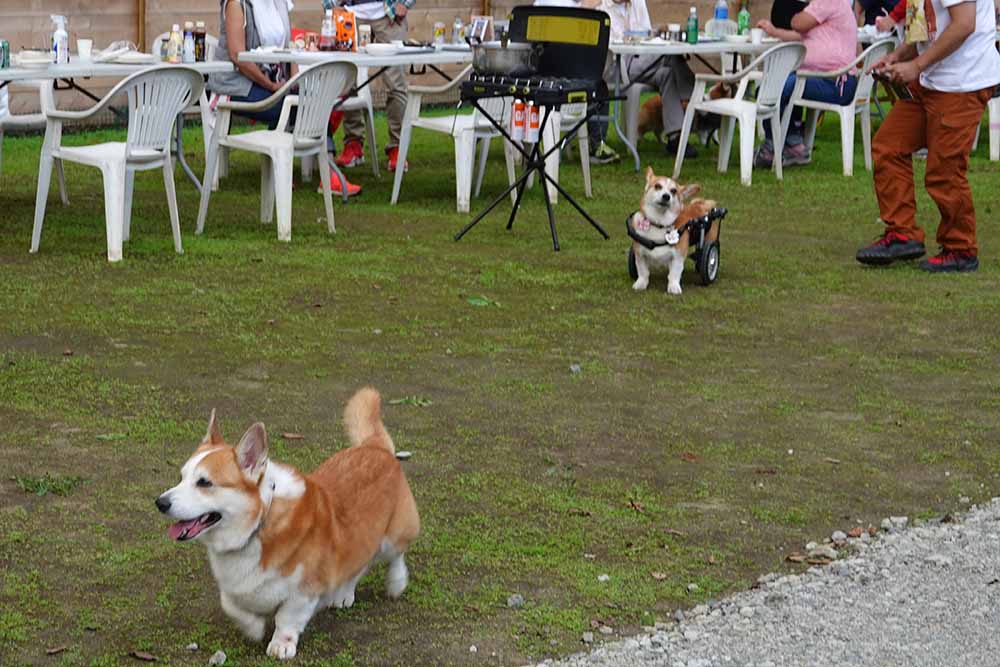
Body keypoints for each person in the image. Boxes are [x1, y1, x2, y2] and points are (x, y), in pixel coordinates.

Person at [855, 0, 1000, 272]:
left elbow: (964, 24)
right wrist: (898, 56)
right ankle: (902, 235)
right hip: (932, 81)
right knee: (889, 146)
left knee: (944, 171)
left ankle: (961, 249)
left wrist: (916, 66)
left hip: (962, 83)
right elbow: (928, 27)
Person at [755, 0, 859, 167]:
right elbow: (801, 36)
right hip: (828, 79)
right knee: (779, 84)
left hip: (836, 82)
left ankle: (772, 147)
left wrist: (797, 14)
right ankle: (792, 144)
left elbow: (797, 23)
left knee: (779, 86)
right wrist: (774, 32)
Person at [329, 0, 413, 174]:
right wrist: (329, 5)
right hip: (349, 12)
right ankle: (353, 144)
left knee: (396, 83)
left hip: (389, 13)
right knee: (347, 81)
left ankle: (397, 147)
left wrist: (405, 3)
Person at [606, 0, 698, 158]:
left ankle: (675, 139)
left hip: (644, 60)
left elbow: (647, 35)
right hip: (618, 64)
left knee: (668, 73)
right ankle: (697, 99)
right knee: (671, 55)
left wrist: (657, 32)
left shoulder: (637, 3)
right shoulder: (602, 6)